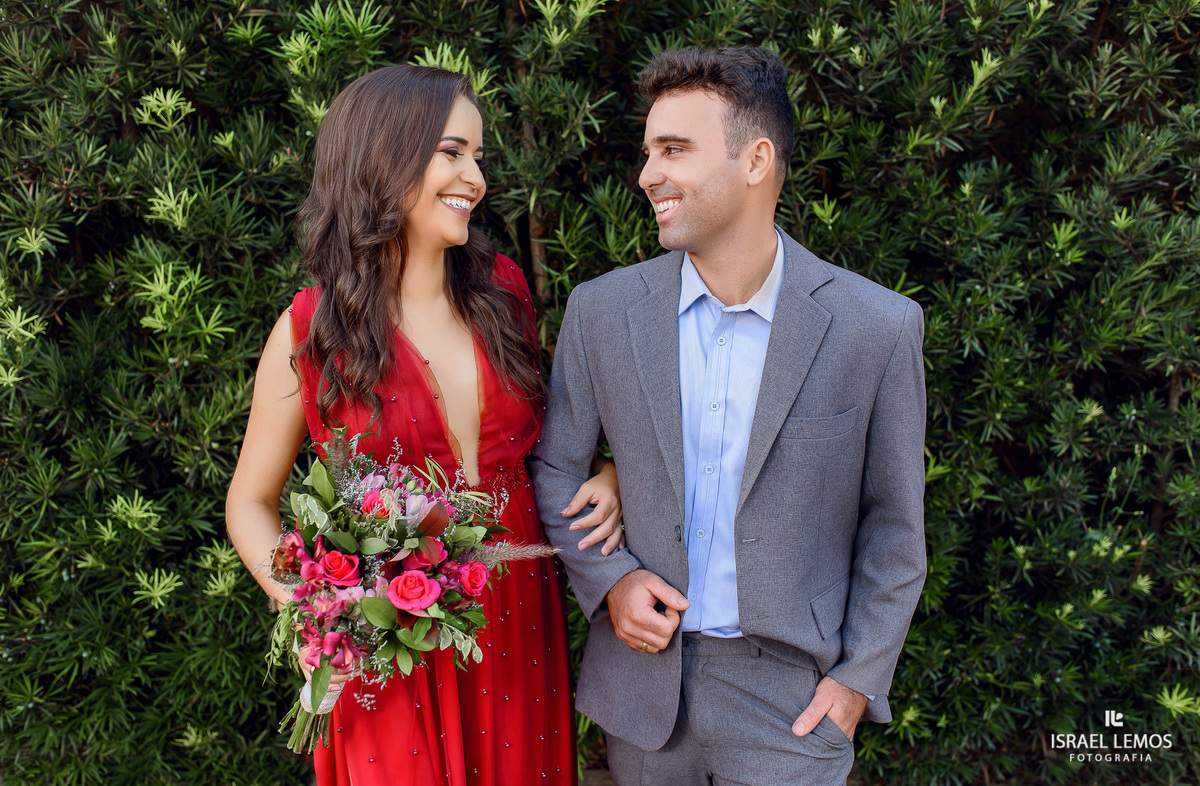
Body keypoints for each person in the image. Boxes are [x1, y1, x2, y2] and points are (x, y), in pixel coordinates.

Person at [529, 46, 927, 785]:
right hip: (645, 694)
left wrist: (856, 682)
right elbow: (554, 467)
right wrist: (610, 578)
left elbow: (895, 529)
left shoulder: (877, 327)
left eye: (674, 149)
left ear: (756, 161)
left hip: (792, 704)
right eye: (648, 151)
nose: (649, 174)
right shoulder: (603, 312)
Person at [226, 64, 624, 786]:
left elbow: (555, 447)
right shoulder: (311, 331)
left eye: (478, 157)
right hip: (390, 645)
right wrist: (314, 605)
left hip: (516, 627)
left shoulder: (503, 291)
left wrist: (614, 475)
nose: (474, 176)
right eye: (453, 152)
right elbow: (249, 502)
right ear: (386, 156)